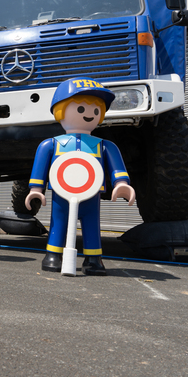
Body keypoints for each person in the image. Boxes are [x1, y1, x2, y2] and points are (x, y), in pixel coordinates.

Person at [25, 77, 135, 275]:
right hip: (61, 193)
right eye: (81, 109)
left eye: (95, 110)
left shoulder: (104, 145)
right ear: (60, 110)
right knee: (58, 222)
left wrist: (121, 183)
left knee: (92, 225)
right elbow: (40, 168)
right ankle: (53, 255)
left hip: (91, 194)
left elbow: (116, 167)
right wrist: (35, 189)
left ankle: (93, 259)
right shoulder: (51, 144)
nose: (89, 114)